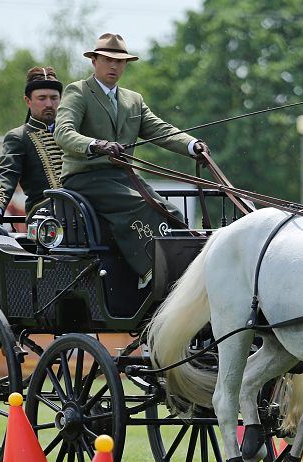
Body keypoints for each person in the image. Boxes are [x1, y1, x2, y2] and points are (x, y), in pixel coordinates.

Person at [54, 33, 211, 289]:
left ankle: (180, 274)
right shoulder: (79, 91)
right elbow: (63, 132)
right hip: (85, 178)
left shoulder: (133, 100)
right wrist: (95, 145)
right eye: (107, 60)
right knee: (141, 206)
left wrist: (193, 146)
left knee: (171, 213)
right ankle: (151, 274)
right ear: (94, 61)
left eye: (120, 61)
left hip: (122, 178)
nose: (114, 66)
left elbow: (160, 130)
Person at [0, 67, 65, 234]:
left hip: (82, 212)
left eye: (54, 98)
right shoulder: (19, 137)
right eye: (42, 98)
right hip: (45, 216)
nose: (49, 104)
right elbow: (6, 176)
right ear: (28, 101)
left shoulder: (72, 133)